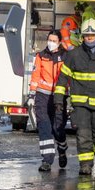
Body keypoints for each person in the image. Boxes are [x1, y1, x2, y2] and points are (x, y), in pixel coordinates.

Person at [54, 18, 95, 175]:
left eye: (93, 35)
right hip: (81, 105)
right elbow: (63, 79)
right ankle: (85, 164)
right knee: (83, 135)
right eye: (86, 35)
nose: (90, 38)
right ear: (82, 37)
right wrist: (58, 99)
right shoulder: (73, 55)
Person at [28, 30, 68, 172]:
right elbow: (35, 75)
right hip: (42, 95)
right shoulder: (41, 56)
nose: (50, 43)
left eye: (54, 40)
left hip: (59, 96)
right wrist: (32, 96)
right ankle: (47, 160)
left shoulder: (65, 56)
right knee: (44, 127)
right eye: (49, 40)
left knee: (58, 128)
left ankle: (62, 149)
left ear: (59, 42)